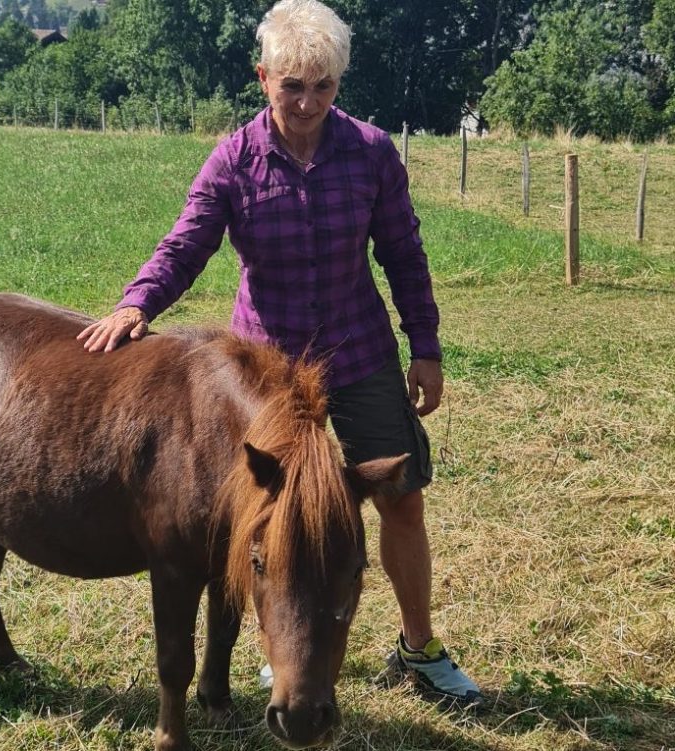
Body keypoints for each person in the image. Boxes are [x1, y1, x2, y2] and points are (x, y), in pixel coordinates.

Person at [77, 0, 481, 706]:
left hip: (356, 354)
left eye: (322, 87)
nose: (306, 102)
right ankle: (283, 654)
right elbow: (187, 243)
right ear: (262, 78)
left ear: (337, 85)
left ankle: (418, 646)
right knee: (267, 519)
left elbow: (403, 254)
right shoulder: (234, 160)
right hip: (264, 374)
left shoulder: (371, 153)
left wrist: (425, 344)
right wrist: (138, 301)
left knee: (401, 499)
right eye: (292, 85)